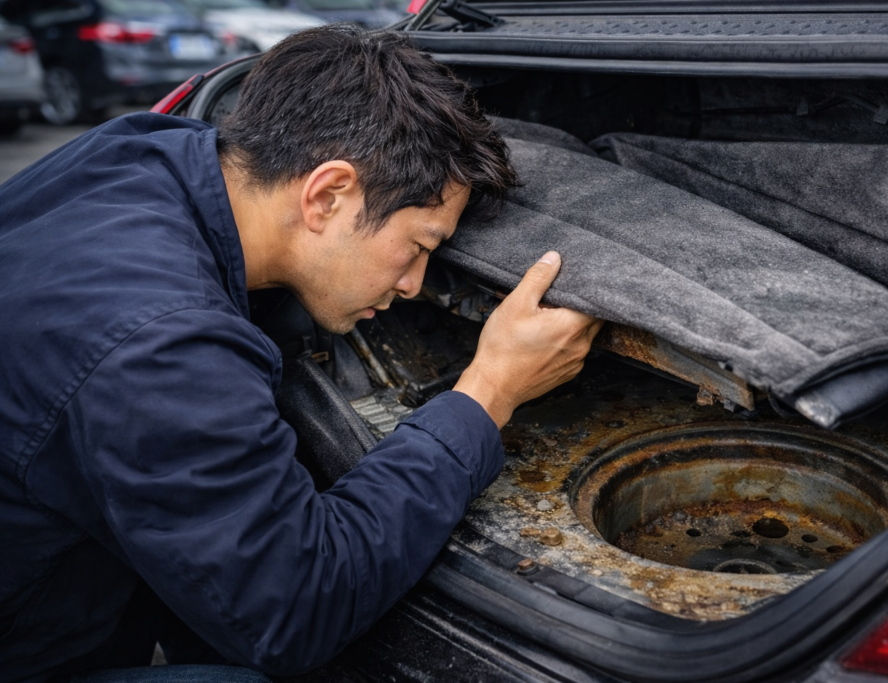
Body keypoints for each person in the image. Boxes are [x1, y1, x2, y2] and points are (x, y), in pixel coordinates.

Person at [0, 26, 602, 682]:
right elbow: (293, 611)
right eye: (421, 246)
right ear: (325, 195)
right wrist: (488, 390)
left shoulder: (140, 152)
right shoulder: (159, 345)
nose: (414, 286)